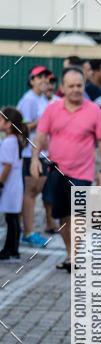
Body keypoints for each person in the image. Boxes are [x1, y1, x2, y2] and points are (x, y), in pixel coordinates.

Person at [30, 66, 101, 272]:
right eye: (71, 86)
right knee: (62, 216)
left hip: (83, 172)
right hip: (57, 171)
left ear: (84, 86)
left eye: (79, 85)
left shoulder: (94, 111)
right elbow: (40, 135)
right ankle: (70, 254)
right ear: (63, 88)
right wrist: (34, 159)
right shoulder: (52, 109)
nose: (76, 89)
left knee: (78, 216)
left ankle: (74, 256)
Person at [18, 66, 55, 246]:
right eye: (39, 77)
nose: (43, 80)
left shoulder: (41, 99)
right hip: (29, 154)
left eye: (45, 78)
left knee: (34, 193)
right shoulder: (29, 99)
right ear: (31, 80)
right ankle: (28, 232)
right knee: (30, 194)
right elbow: (21, 126)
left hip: (42, 153)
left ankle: (23, 229)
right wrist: (41, 123)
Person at [0, 107, 26, 261]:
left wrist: (1, 183)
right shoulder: (17, 139)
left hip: (9, 186)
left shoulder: (9, 142)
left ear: (8, 124)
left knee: (11, 218)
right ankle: (13, 249)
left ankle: (9, 249)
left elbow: (7, 165)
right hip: (15, 185)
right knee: (13, 217)